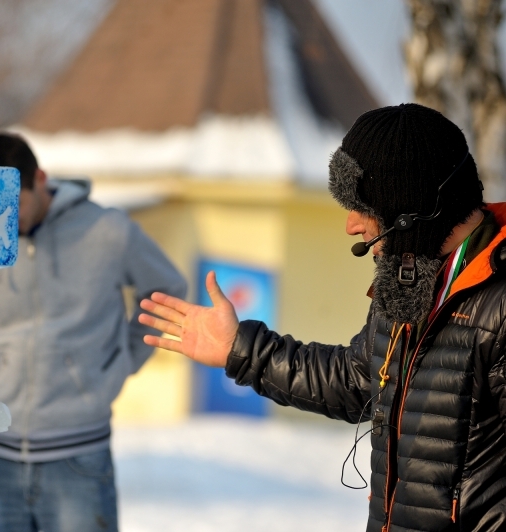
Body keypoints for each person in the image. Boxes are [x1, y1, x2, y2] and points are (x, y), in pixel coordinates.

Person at [139, 104, 506, 532]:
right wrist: (240, 349)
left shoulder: (497, 305)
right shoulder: (411, 282)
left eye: (364, 206)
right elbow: (355, 380)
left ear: (411, 205)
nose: (351, 225)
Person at [0, 133, 187, 532]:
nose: (2, 220)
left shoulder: (108, 231)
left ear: (40, 179)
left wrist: (118, 363)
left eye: (12, 205)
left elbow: (167, 289)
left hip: (79, 458)